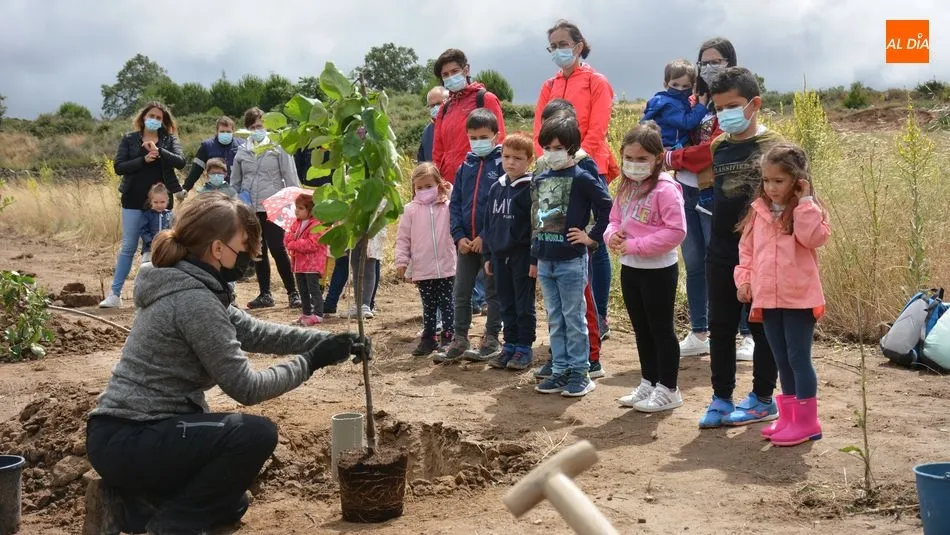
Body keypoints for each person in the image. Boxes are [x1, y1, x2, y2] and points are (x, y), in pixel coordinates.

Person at [84, 193, 368, 535]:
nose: (250, 257)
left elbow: (258, 332)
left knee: (231, 502)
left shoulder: (194, 285)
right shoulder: (193, 301)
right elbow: (245, 387)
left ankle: (133, 507)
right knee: (254, 435)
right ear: (218, 249)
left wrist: (329, 343)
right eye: (244, 247)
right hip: (131, 437)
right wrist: (311, 362)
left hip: (139, 437)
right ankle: (172, 526)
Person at [699, 66, 785, 429]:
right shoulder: (718, 146)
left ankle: (763, 398)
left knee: (763, 326)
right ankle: (721, 398)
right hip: (720, 250)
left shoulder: (776, 147)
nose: (725, 115)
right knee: (719, 325)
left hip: (763, 254)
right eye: (719, 108)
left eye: (732, 105)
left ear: (755, 104)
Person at [664, 38, 759, 360]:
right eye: (704, 61)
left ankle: (747, 333)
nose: (709, 66)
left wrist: (672, 158)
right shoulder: (693, 100)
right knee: (694, 263)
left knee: (730, 259)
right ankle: (699, 331)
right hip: (686, 190)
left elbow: (712, 150)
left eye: (717, 60)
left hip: (719, 189)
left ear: (730, 63)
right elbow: (671, 129)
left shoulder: (730, 104)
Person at [735, 143, 829, 446]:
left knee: (798, 358)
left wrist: (805, 202)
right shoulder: (758, 212)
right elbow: (746, 251)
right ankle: (788, 418)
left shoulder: (807, 210)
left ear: (797, 180)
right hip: (767, 297)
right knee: (781, 358)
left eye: (779, 181)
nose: (771, 187)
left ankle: (807, 422)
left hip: (799, 297)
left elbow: (812, 238)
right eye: (766, 180)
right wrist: (745, 279)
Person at [534, 20, 619, 338]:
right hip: (553, 169)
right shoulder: (549, 86)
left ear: (579, 45)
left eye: (562, 44)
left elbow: (597, 127)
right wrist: (546, 160)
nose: (558, 50)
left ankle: (600, 316)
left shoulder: (596, 81)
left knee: (591, 242)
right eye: (552, 46)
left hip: (588, 168)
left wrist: (577, 160)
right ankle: (571, 314)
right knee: (562, 237)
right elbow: (538, 130)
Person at [605, 123, 687, 413]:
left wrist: (636, 246)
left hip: (659, 270)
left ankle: (669, 388)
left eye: (642, 159)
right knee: (641, 329)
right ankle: (649, 381)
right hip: (631, 268)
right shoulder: (626, 186)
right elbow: (614, 219)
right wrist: (610, 235)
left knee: (661, 329)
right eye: (630, 158)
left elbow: (676, 231)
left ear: (657, 158)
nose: (635, 165)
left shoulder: (666, 189)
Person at [532, 113, 612, 397]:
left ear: (572, 148)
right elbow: (537, 218)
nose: (552, 154)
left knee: (574, 316)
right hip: (546, 259)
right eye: (548, 148)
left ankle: (581, 372)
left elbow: (607, 206)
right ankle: (560, 370)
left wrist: (591, 237)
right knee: (555, 316)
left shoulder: (581, 177)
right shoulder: (541, 178)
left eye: (558, 148)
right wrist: (535, 254)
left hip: (571, 260)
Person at [100, 101, 186, 308]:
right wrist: (143, 159)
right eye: (151, 116)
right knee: (129, 246)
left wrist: (159, 151)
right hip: (133, 199)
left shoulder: (169, 140)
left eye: (159, 117)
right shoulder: (129, 139)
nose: (154, 120)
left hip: (161, 203)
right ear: (143, 118)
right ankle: (115, 294)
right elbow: (119, 166)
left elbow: (181, 161)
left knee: (162, 248)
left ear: (164, 121)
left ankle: (163, 295)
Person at [436, 108, 504, 363]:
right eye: (473, 137)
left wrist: (485, 237)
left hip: (491, 244)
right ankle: (460, 338)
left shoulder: (501, 165)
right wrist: (459, 236)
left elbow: (501, 208)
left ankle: (491, 338)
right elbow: (456, 204)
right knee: (461, 291)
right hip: (465, 245)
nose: (478, 142)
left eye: (484, 136)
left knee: (492, 292)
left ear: (496, 136)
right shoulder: (465, 166)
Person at [231, 107, 301, 309]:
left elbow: (290, 176)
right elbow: (235, 181)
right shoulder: (241, 151)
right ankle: (265, 294)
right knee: (258, 251)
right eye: (252, 126)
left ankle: (293, 293)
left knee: (278, 248)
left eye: (259, 126)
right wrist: (235, 202)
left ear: (267, 126)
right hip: (250, 208)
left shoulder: (278, 146)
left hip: (274, 205)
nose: (256, 129)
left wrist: (296, 202)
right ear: (247, 128)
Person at [483, 134, 537, 371]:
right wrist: (487, 255)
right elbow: (488, 223)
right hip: (498, 255)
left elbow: (537, 226)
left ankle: (524, 346)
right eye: (506, 156)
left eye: (517, 158)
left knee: (523, 303)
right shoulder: (497, 187)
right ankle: (510, 344)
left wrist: (535, 259)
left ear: (530, 160)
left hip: (522, 256)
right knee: (505, 302)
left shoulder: (530, 188)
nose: (511, 162)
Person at [396, 163, 457, 356]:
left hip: (447, 265)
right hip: (423, 267)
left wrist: (451, 192)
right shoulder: (410, 210)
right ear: (413, 188)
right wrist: (401, 261)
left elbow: (460, 209)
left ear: (439, 184)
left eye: (428, 186)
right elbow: (403, 238)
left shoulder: (447, 206)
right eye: (419, 187)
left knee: (447, 303)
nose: (424, 191)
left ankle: (448, 338)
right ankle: (428, 338)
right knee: (429, 305)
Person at [431, 48, 507, 183]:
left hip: (480, 179)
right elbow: (438, 150)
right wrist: (437, 181)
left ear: (466, 70)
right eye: (445, 75)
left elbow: (499, 141)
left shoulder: (485, 99)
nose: (450, 77)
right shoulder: (444, 108)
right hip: (449, 182)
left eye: (454, 71)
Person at [642, 59, 708, 150]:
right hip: (670, 147)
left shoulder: (670, 100)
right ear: (666, 84)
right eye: (675, 85)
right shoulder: (669, 105)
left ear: (692, 87)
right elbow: (686, 122)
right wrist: (701, 106)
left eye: (685, 86)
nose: (680, 89)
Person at [284, 193, 328, 326]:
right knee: (302, 289)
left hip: (312, 263)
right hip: (299, 263)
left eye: (301, 208)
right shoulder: (296, 224)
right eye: (296, 207)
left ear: (311, 210)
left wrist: (293, 244)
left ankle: (318, 314)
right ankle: (306, 312)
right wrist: (292, 241)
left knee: (313, 289)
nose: (297, 210)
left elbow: (312, 244)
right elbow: (287, 237)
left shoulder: (317, 225)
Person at [181, 116, 243, 195]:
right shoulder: (207, 146)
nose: (225, 134)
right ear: (217, 131)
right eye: (222, 131)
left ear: (233, 131)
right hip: (214, 192)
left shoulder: (241, 146)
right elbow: (196, 170)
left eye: (228, 131)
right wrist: (186, 188)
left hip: (236, 192)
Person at [139, 183, 173, 265]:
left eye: (162, 202)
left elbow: (172, 230)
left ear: (167, 201)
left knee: (164, 266)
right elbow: (143, 230)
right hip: (149, 249)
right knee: (147, 267)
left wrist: (169, 242)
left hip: (165, 248)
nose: (159, 205)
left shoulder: (170, 215)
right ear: (151, 202)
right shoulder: (147, 215)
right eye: (156, 202)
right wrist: (150, 242)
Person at [418, 86, 449, 163]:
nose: (436, 108)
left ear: (449, 101)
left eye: (439, 103)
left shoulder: (458, 126)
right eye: (432, 105)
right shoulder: (427, 132)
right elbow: (422, 161)